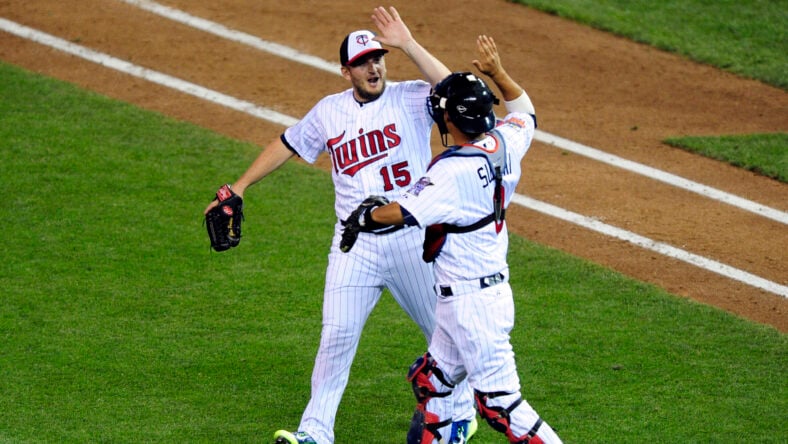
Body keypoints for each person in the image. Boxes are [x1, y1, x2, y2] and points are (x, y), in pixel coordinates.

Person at [204, 6, 476, 444]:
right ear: (345, 71)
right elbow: (288, 143)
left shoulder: (410, 96)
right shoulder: (329, 111)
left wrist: (407, 43)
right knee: (336, 337)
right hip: (354, 245)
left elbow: (454, 88)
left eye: (378, 58)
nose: (373, 67)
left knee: (446, 333)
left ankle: (458, 416)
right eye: (363, 62)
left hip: (412, 241)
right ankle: (315, 432)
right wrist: (241, 186)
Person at [341, 35, 563, 443]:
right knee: (431, 381)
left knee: (501, 406)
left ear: (450, 121)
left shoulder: (452, 172)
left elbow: (402, 213)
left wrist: (365, 215)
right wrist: (498, 73)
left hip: (473, 306)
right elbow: (525, 111)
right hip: (467, 297)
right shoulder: (504, 143)